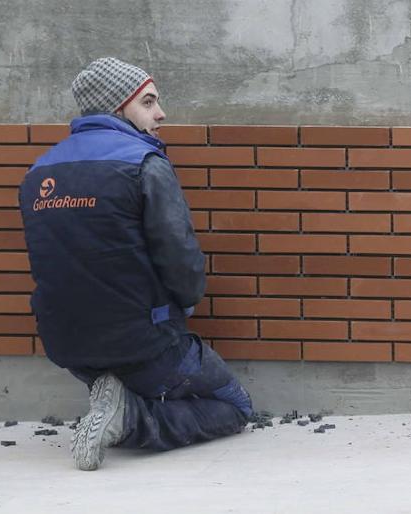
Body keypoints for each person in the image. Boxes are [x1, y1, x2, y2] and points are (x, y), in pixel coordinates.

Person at [19, 57, 253, 471]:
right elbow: (180, 260)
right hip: (147, 345)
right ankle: (130, 419)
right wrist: (186, 303)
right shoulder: (144, 163)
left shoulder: (39, 173)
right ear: (117, 108)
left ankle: (117, 403)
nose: (160, 113)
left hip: (69, 348)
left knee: (138, 376)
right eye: (148, 102)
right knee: (234, 406)